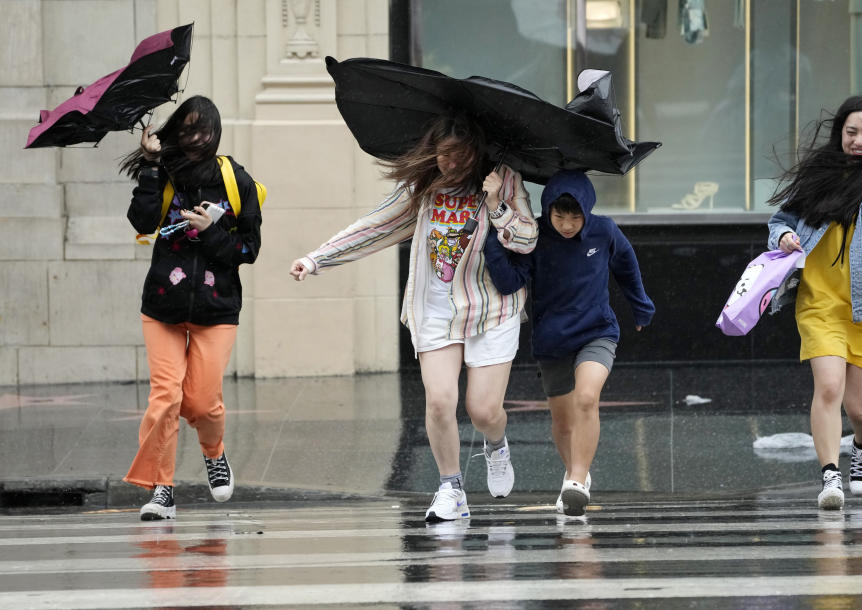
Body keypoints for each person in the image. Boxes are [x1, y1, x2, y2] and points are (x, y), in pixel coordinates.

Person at [289, 114, 538, 523]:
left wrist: (496, 205)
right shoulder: (423, 186)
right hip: (435, 307)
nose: (451, 164)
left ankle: (495, 444)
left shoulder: (503, 179)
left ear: (476, 153)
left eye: (460, 156)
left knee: (483, 410)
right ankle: (451, 489)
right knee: (440, 402)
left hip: (491, 308)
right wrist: (316, 259)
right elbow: (373, 226)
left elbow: (527, 240)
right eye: (444, 155)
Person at [767, 95, 862, 510]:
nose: (859, 140)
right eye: (852, 132)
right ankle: (830, 475)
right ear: (840, 132)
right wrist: (782, 238)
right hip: (820, 302)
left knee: (859, 407)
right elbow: (782, 218)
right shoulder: (821, 174)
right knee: (829, 387)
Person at [120, 95, 263, 520]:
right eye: (187, 130)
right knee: (165, 398)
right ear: (176, 133)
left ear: (216, 133)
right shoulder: (163, 173)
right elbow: (142, 222)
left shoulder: (237, 181)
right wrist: (148, 165)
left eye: (204, 130)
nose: (196, 138)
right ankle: (161, 489)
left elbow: (248, 250)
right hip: (162, 303)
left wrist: (209, 231)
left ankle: (214, 452)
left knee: (200, 403)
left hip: (217, 308)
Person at [483, 170, 655, 516]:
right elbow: (508, 282)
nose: (566, 224)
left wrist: (641, 306)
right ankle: (577, 472)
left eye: (575, 216)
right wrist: (493, 242)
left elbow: (626, 266)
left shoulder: (603, 230)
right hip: (552, 340)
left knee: (587, 398)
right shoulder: (534, 236)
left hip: (597, 331)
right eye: (559, 215)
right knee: (563, 422)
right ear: (547, 210)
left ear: (587, 212)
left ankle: (575, 482)